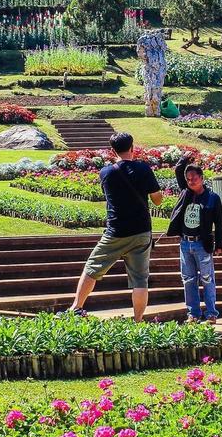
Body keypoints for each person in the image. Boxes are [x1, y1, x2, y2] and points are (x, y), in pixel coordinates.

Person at [69, 132, 165, 321]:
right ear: (132, 147)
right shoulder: (144, 169)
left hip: (116, 230)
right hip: (141, 231)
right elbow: (157, 200)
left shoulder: (106, 172)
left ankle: (76, 307)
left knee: (92, 267)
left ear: (112, 150)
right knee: (140, 279)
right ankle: (138, 320)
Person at [166, 154, 222, 323]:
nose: (191, 181)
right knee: (188, 279)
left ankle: (211, 313)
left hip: (202, 244)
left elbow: (219, 224)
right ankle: (193, 313)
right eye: (188, 179)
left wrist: (219, 244)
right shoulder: (185, 193)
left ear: (202, 178)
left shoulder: (212, 198)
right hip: (185, 243)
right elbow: (178, 170)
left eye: (194, 178)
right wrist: (185, 159)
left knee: (207, 279)